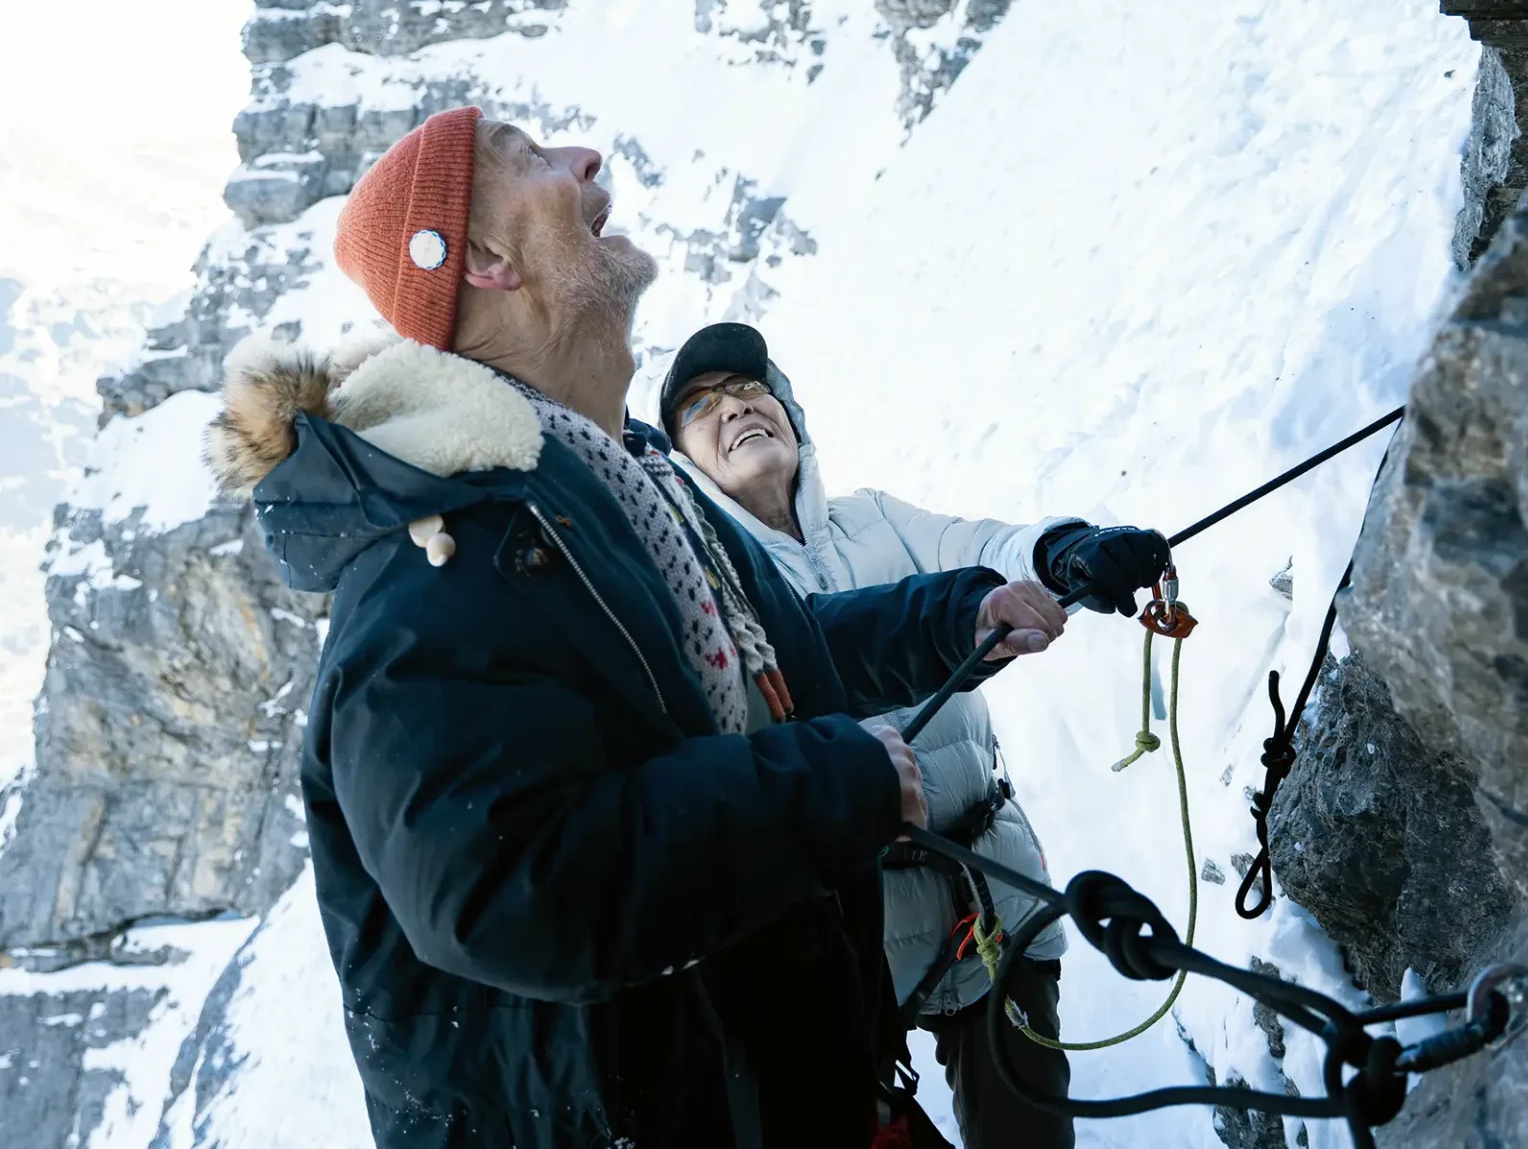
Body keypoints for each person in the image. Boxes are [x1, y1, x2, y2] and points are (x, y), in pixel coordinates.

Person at [204, 107, 1073, 1149]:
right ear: (481, 258)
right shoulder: (431, 557)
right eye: (530, 159)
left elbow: (779, 659)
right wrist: (828, 785)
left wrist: (961, 612)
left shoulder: (625, 488)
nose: (586, 158)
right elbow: (509, 881)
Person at [660, 322, 1171, 1149]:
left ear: (790, 414)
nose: (737, 407)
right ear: (681, 459)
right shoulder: (701, 587)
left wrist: (1064, 554)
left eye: (752, 389)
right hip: (851, 945)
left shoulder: (878, 519)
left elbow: (985, 549)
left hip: (992, 894)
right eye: (702, 405)